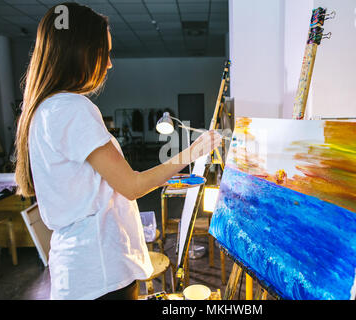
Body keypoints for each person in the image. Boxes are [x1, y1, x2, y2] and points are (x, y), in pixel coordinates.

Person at [14, 2, 221, 300]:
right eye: (105, 53)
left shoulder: (45, 109)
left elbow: (101, 183)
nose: (109, 63)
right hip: (100, 273)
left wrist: (162, 177)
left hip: (79, 271)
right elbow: (132, 186)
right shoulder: (72, 109)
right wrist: (191, 152)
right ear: (80, 51)